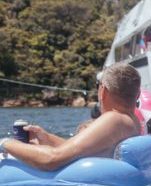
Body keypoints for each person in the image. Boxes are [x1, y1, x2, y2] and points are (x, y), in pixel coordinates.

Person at [0, 64, 142, 171]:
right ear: (138, 94)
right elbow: (83, 150)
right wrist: (47, 137)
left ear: (103, 91)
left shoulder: (114, 119)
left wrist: (6, 143)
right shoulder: (132, 121)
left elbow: (52, 159)